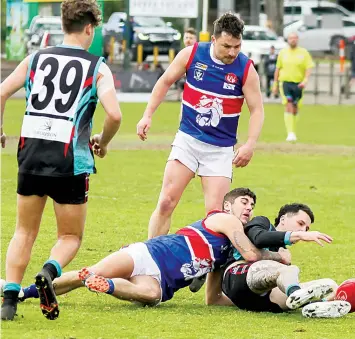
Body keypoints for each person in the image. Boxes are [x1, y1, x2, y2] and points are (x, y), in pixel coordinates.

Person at [0, 0, 122, 321]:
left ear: (63, 25)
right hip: (70, 160)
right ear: (89, 28)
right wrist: (103, 142)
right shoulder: (97, 66)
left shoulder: (36, 58)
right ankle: (47, 272)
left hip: (31, 153)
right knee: (70, 237)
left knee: (23, 231)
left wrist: (0, 131)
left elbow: (1, 92)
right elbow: (115, 114)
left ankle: (9, 301)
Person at [5, 188, 290, 309]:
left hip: (160, 280)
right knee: (84, 274)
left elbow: (212, 300)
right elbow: (252, 254)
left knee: (151, 296)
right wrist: (280, 255)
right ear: (228, 205)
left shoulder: (224, 253)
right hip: (150, 253)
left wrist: (251, 304)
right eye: (244, 202)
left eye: (252, 206)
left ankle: (106, 285)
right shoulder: (222, 218)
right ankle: (23, 292)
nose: (249, 208)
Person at [137, 12, 265, 240]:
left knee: (216, 216)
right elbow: (165, 81)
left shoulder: (245, 69)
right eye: (227, 46)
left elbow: (257, 109)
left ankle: (211, 274)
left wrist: (250, 145)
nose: (232, 52)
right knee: (166, 202)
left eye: (237, 46)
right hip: (188, 140)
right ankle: (151, 259)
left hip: (220, 150)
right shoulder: (192, 54)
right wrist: (147, 115)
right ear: (214, 40)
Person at [205, 204, 351, 318]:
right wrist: (296, 235)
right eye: (300, 224)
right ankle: (297, 293)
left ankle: (319, 306)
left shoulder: (284, 251)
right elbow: (259, 238)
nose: (304, 231)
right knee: (290, 270)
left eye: (306, 229)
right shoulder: (262, 223)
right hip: (238, 277)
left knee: (331, 286)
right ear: (283, 219)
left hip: (259, 302)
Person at [273, 32, 314, 142]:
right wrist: (275, 84)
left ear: (298, 39)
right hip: (285, 82)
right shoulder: (283, 53)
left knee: (295, 108)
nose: (293, 40)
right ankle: (290, 133)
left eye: (295, 38)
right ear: (288, 40)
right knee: (289, 105)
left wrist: (305, 80)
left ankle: (293, 131)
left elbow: (309, 67)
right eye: (291, 38)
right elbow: (278, 69)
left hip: (298, 84)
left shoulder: (304, 53)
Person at [176, 27, 198, 101]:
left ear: (195, 40)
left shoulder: (199, 54)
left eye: (191, 38)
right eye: (186, 37)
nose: (188, 40)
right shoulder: (180, 54)